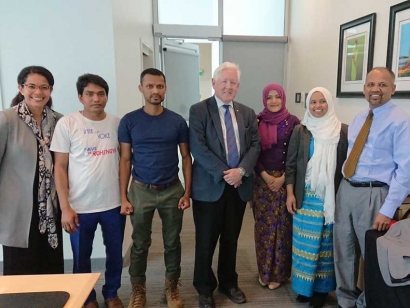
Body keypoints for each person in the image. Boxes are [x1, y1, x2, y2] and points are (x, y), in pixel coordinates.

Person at [334, 67, 410, 308]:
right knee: (343, 251)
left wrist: (387, 209)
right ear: (364, 88)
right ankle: (345, 300)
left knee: (372, 256)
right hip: (346, 189)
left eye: (382, 85)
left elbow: (405, 171)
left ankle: (367, 302)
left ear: (393, 89)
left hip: (374, 194)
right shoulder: (359, 117)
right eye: (370, 84)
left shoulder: (402, 121)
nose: (375, 89)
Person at [189, 62, 260, 308]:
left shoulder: (248, 113)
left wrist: (240, 171)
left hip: (238, 187)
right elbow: (198, 148)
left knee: (231, 239)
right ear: (213, 83)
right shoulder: (199, 110)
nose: (228, 86)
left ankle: (228, 283)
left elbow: (254, 146)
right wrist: (225, 173)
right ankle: (205, 287)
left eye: (233, 83)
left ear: (238, 87)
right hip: (210, 187)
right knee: (206, 240)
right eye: (224, 81)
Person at [119, 68, 191, 308]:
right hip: (140, 190)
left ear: (165, 88)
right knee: (140, 243)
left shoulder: (177, 121)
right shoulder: (129, 121)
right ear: (141, 89)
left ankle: (171, 287)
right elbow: (125, 160)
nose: (155, 91)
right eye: (149, 86)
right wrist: (124, 197)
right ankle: (138, 290)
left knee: (172, 242)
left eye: (159, 86)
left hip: (172, 189)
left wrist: (187, 192)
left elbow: (186, 157)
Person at [51, 74, 125, 308]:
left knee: (115, 254)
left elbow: (125, 161)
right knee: (81, 256)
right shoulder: (68, 123)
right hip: (80, 206)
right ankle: (87, 296)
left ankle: (111, 292)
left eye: (101, 93)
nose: (96, 98)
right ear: (80, 97)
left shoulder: (116, 123)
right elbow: (60, 168)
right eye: (90, 94)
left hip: (113, 204)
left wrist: (125, 197)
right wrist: (65, 207)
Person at [286, 87, 348, 308]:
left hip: (329, 199)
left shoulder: (342, 131)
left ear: (329, 103)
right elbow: (291, 165)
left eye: (322, 101)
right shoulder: (300, 131)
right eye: (313, 102)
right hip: (305, 197)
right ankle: (304, 288)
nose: (318, 106)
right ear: (307, 105)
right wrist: (290, 193)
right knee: (304, 244)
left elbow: (346, 167)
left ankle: (321, 290)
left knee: (325, 246)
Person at [0, 66, 64, 275]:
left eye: (44, 87)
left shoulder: (59, 122)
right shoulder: (7, 119)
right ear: (21, 88)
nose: (38, 92)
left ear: (51, 90)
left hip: (51, 208)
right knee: (20, 271)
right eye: (32, 86)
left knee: (50, 268)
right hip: (18, 209)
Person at [252, 83, 299, 290]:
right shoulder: (256, 121)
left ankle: (279, 274)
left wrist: (283, 178)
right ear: (264, 99)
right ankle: (264, 271)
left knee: (282, 229)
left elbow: (296, 155)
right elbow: (253, 152)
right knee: (263, 228)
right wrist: (263, 174)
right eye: (269, 97)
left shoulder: (293, 122)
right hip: (261, 182)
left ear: (283, 98)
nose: (273, 101)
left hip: (284, 182)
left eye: (277, 97)